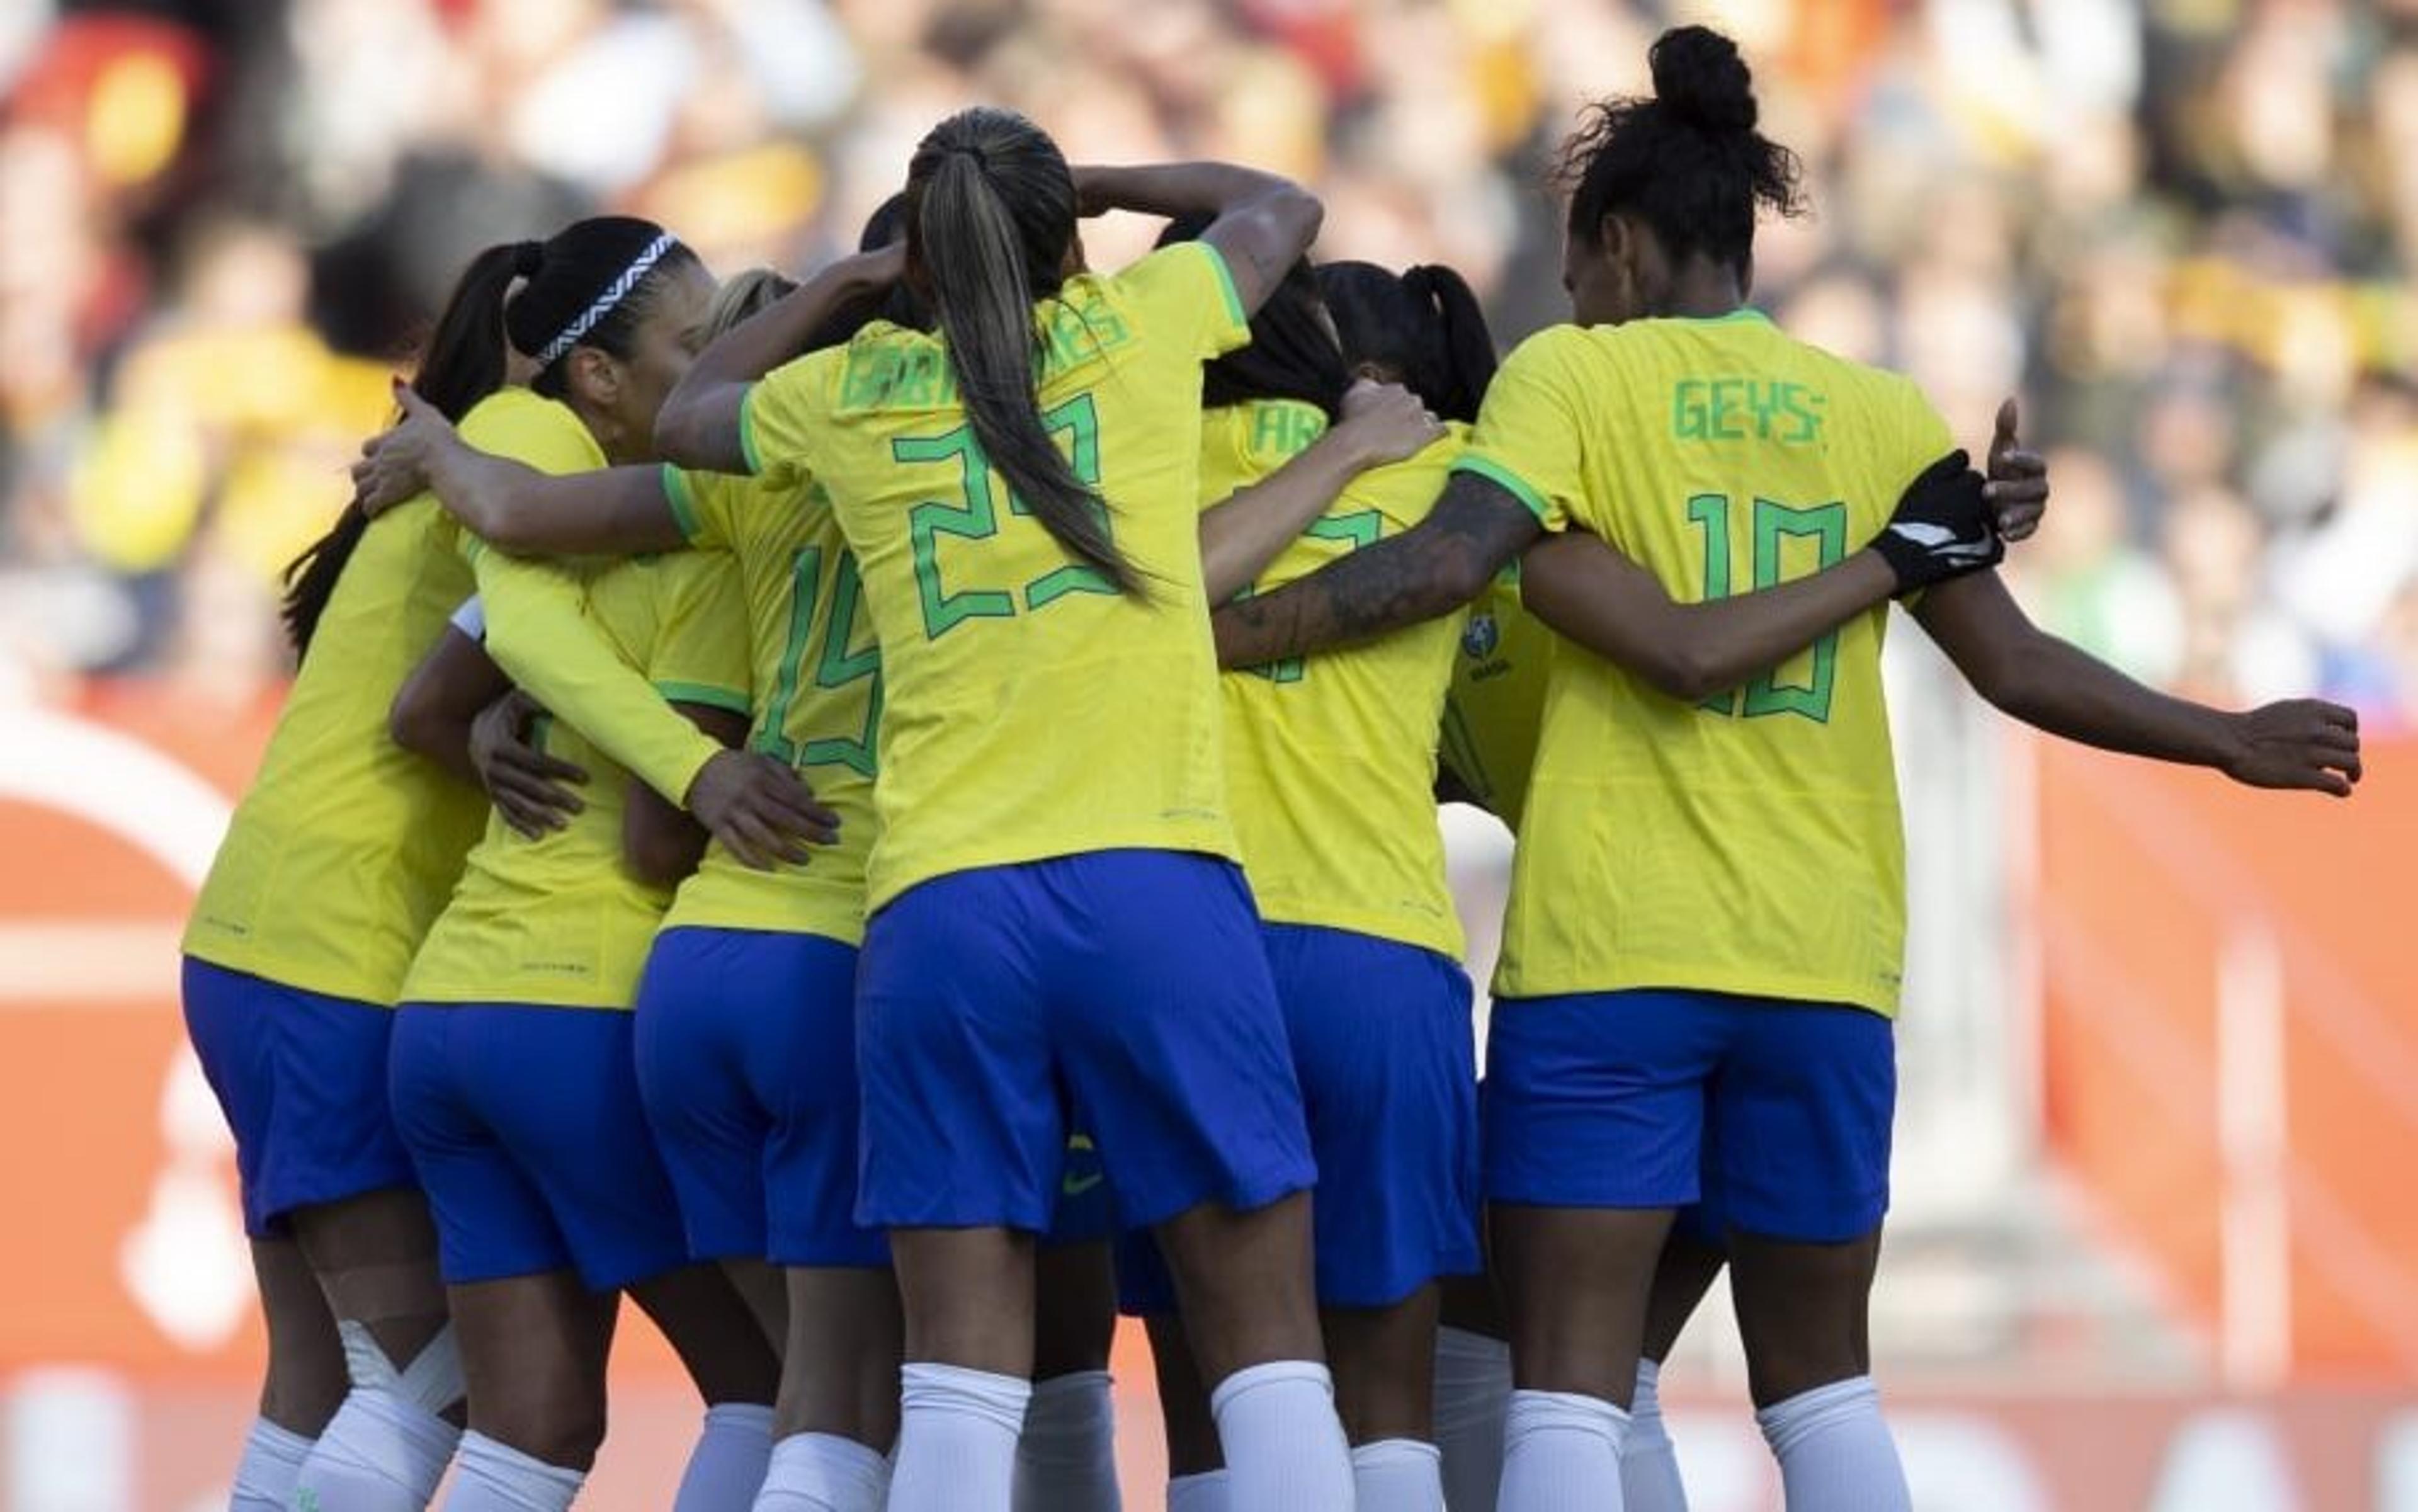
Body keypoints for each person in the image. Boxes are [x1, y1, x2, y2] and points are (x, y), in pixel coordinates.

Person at [1209, 27, 2363, 1512]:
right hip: (1827, 958)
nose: (1567, 302)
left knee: (1565, 1379)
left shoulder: (1569, 382)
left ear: (1617, 244)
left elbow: (1451, 567)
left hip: (1620, 950)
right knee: (1822, 1393)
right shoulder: (1880, 413)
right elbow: (2012, 666)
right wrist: (2222, 735)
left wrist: (1214, 632)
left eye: (1573, 271)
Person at [654, 109, 1356, 1512]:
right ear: (1069, 239)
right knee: (1260, 1333)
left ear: (921, 252)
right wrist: (1092, 179)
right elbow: (1280, 203)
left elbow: (683, 414)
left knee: (961, 1374)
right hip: (1150, 877)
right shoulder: (1140, 325)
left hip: (942, 905)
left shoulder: (856, 394)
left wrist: (854, 281)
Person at [181, 215, 825, 1512]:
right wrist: (697, 768)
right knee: (437, 1388)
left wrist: (483, 731)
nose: (704, 379)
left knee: (370, 1386)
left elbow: (441, 690)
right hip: (354, 950)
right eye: (688, 349)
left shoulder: (524, 463)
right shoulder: (528, 445)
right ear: (595, 372)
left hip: (310, 948)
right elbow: (520, 621)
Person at [380, 224, 793, 1512]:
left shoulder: (579, 535)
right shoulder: (718, 547)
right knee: (787, 1388)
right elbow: (654, 841)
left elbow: (427, 708)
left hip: (448, 1008)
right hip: (582, 1008)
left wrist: (505, 734)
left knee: (528, 1426)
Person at [1116, 235, 1463, 1512]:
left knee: (1214, 1409)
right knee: (1388, 1421)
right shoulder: (1456, 469)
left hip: (1187, 960)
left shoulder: (1144, 472)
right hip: (1380, 950)